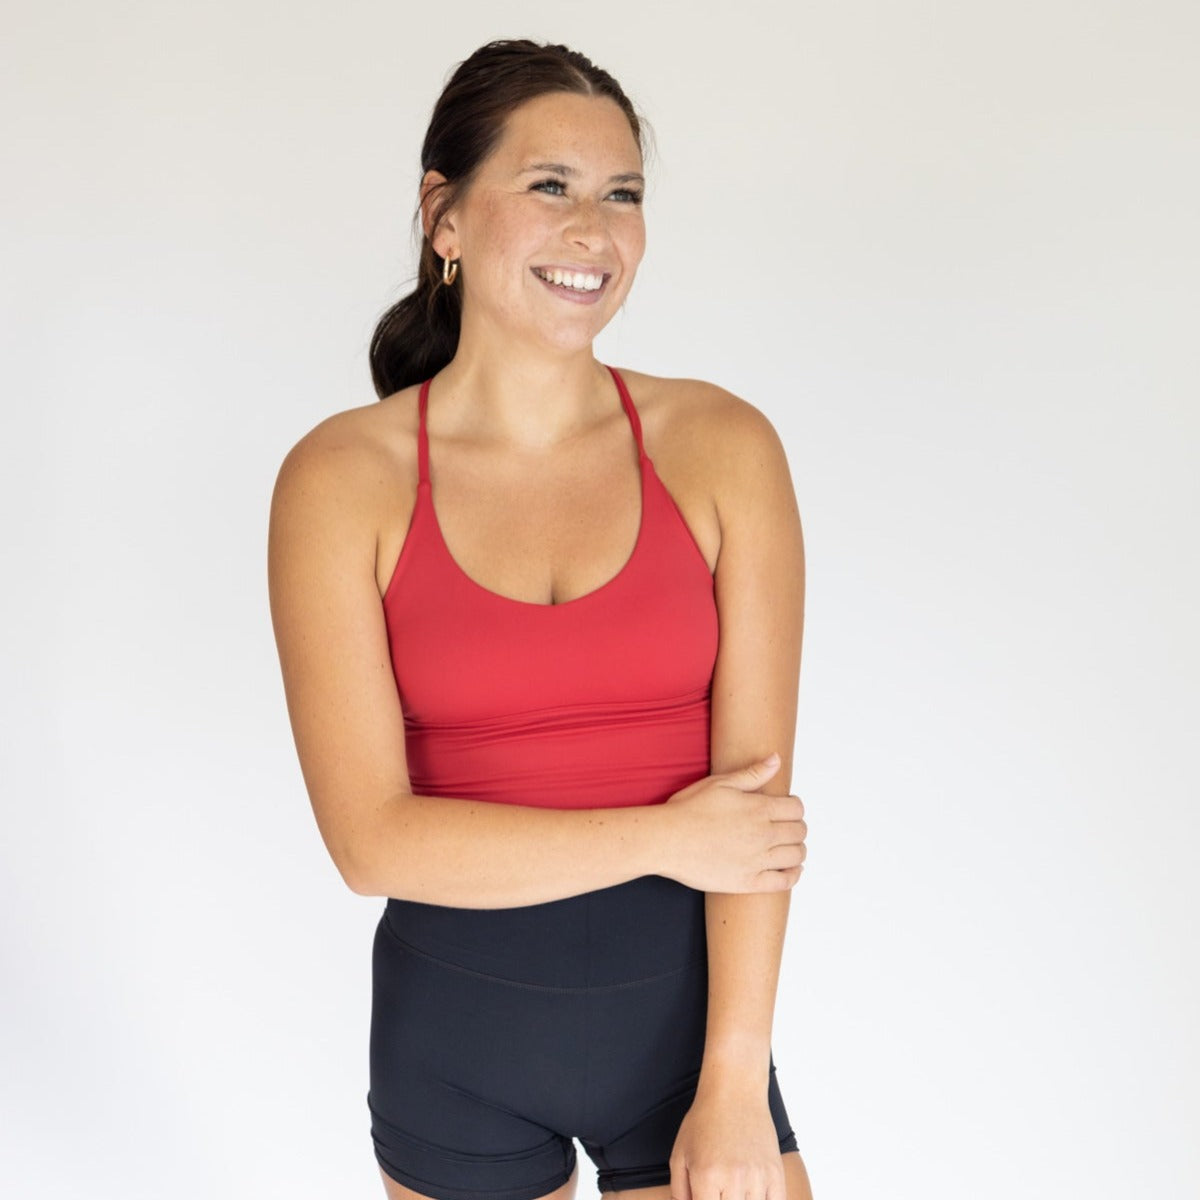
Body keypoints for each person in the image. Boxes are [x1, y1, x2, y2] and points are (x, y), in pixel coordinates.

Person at [268, 39, 812, 1200]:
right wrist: (666, 837)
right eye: (550, 186)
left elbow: (753, 822)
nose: (596, 231)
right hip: (451, 1055)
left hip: (690, 1051)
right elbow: (372, 842)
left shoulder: (724, 448)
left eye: (623, 195)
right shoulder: (342, 481)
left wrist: (733, 1081)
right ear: (444, 215)